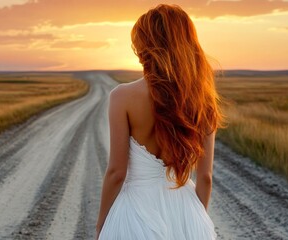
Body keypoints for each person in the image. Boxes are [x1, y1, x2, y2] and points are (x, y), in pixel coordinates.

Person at [96, 3, 224, 240]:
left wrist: (101, 225)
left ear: (145, 45)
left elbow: (116, 172)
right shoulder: (203, 100)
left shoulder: (122, 97)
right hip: (186, 209)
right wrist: (195, 220)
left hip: (135, 214)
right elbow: (205, 178)